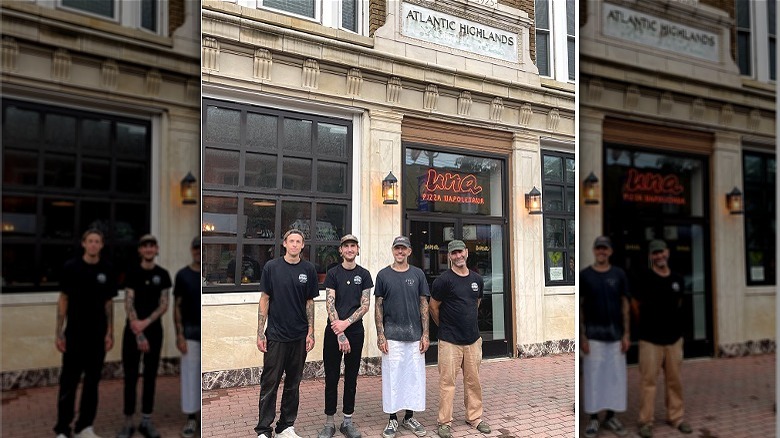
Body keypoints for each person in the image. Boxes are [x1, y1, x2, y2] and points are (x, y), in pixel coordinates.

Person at [255, 229, 318, 438]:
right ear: (284, 244)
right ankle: (264, 430)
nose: (294, 244)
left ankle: (285, 427)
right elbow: (264, 299)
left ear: (302, 246)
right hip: (275, 336)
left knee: (293, 383)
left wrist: (311, 331)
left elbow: (310, 302)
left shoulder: (308, 269)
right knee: (270, 383)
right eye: (291, 241)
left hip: (299, 336)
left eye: (298, 241)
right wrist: (260, 333)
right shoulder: (272, 267)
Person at [54, 229, 117, 438]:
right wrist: (58, 332)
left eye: (97, 241)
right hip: (74, 335)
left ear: (101, 245)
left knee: (92, 383)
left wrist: (110, 332)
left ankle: (84, 427)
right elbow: (63, 300)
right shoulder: (71, 267)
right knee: (68, 383)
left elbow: (109, 303)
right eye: (89, 241)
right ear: (83, 244)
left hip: (97, 336)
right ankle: (63, 429)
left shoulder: (107, 269)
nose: (93, 245)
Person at [429, 240, 491, 438]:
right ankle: (444, 422)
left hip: (473, 340)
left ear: (466, 252)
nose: (458, 256)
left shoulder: (477, 280)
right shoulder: (443, 281)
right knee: (447, 383)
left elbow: (476, 303)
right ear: (449, 256)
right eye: (453, 253)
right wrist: (445, 326)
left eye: (460, 252)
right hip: (449, 341)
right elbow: (433, 307)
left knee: (473, 381)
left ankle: (474, 417)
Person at [634, 240, 692, 438]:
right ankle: (645, 422)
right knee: (648, 382)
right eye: (655, 253)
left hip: (674, 340)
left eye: (662, 252)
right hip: (650, 340)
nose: (659, 256)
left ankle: (676, 418)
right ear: (651, 256)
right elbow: (635, 304)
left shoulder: (678, 279)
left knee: (675, 381)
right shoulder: (645, 277)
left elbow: (681, 305)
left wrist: (681, 333)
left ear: (667, 252)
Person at [317, 234, 373, 438]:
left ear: (358, 249)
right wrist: (339, 331)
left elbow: (365, 305)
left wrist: (347, 324)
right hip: (333, 332)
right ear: (341, 250)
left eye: (353, 246)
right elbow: (329, 303)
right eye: (346, 246)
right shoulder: (333, 273)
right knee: (331, 377)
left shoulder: (364, 274)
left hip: (355, 332)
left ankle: (347, 421)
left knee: (351, 377)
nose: (349, 249)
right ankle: (329, 423)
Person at [375, 235, 430, 438]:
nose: (400, 252)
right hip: (392, 336)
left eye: (403, 249)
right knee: (393, 378)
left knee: (413, 377)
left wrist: (425, 334)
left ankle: (409, 417)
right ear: (393, 250)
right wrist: (381, 335)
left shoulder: (417, 274)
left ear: (409, 251)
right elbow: (378, 306)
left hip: (415, 335)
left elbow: (423, 304)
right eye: (397, 248)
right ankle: (392, 419)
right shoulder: (383, 275)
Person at [117, 234, 172, 438]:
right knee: (130, 378)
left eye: (152, 246)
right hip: (132, 332)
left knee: (150, 377)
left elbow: (164, 304)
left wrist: (146, 323)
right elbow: (128, 302)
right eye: (145, 246)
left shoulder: (163, 274)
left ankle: (146, 421)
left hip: (154, 331)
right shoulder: (131, 273)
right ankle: (128, 422)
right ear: (140, 250)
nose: (149, 249)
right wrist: (138, 330)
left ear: (156, 249)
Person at [579, 236, 630, 438]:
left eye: (605, 249)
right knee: (593, 378)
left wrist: (627, 334)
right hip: (593, 337)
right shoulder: (585, 276)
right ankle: (593, 419)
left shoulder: (619, 275)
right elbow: (581, 307)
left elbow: (625, 304)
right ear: (594, 251)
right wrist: (582, 336)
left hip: (616, 336)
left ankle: (610, 416)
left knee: (614, 378)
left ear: (610, 252)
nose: (602, 252)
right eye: (599, 248)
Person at [173, 236, 202, 438]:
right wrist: (179, 335)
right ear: (191, 251)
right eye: (196, 249)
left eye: (201, 249)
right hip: (190, 332)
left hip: (206, 332)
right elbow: (176, 307)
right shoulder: (183, 275)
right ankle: (191, 418)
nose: (198, 252)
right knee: (190, 377)